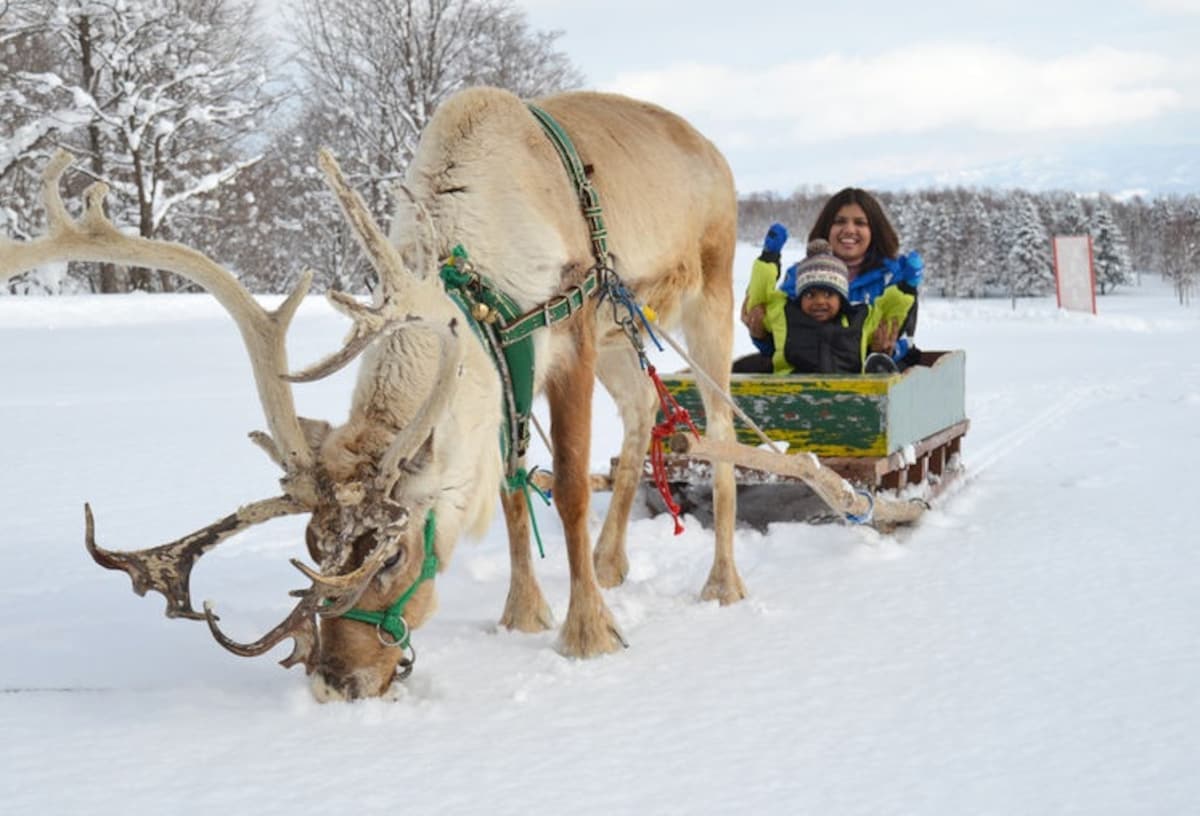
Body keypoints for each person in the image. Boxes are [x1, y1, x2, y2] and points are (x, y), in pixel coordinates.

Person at [775, 238, 916, 374]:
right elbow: (762, 299)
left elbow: (887, 313)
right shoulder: (788, 316)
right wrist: (769, 257)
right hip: (793, 393)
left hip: (848, 393)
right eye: (810, 295)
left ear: (841, 298)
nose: (819, 301)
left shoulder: (858, 320)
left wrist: (906, 287)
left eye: (828, 294)